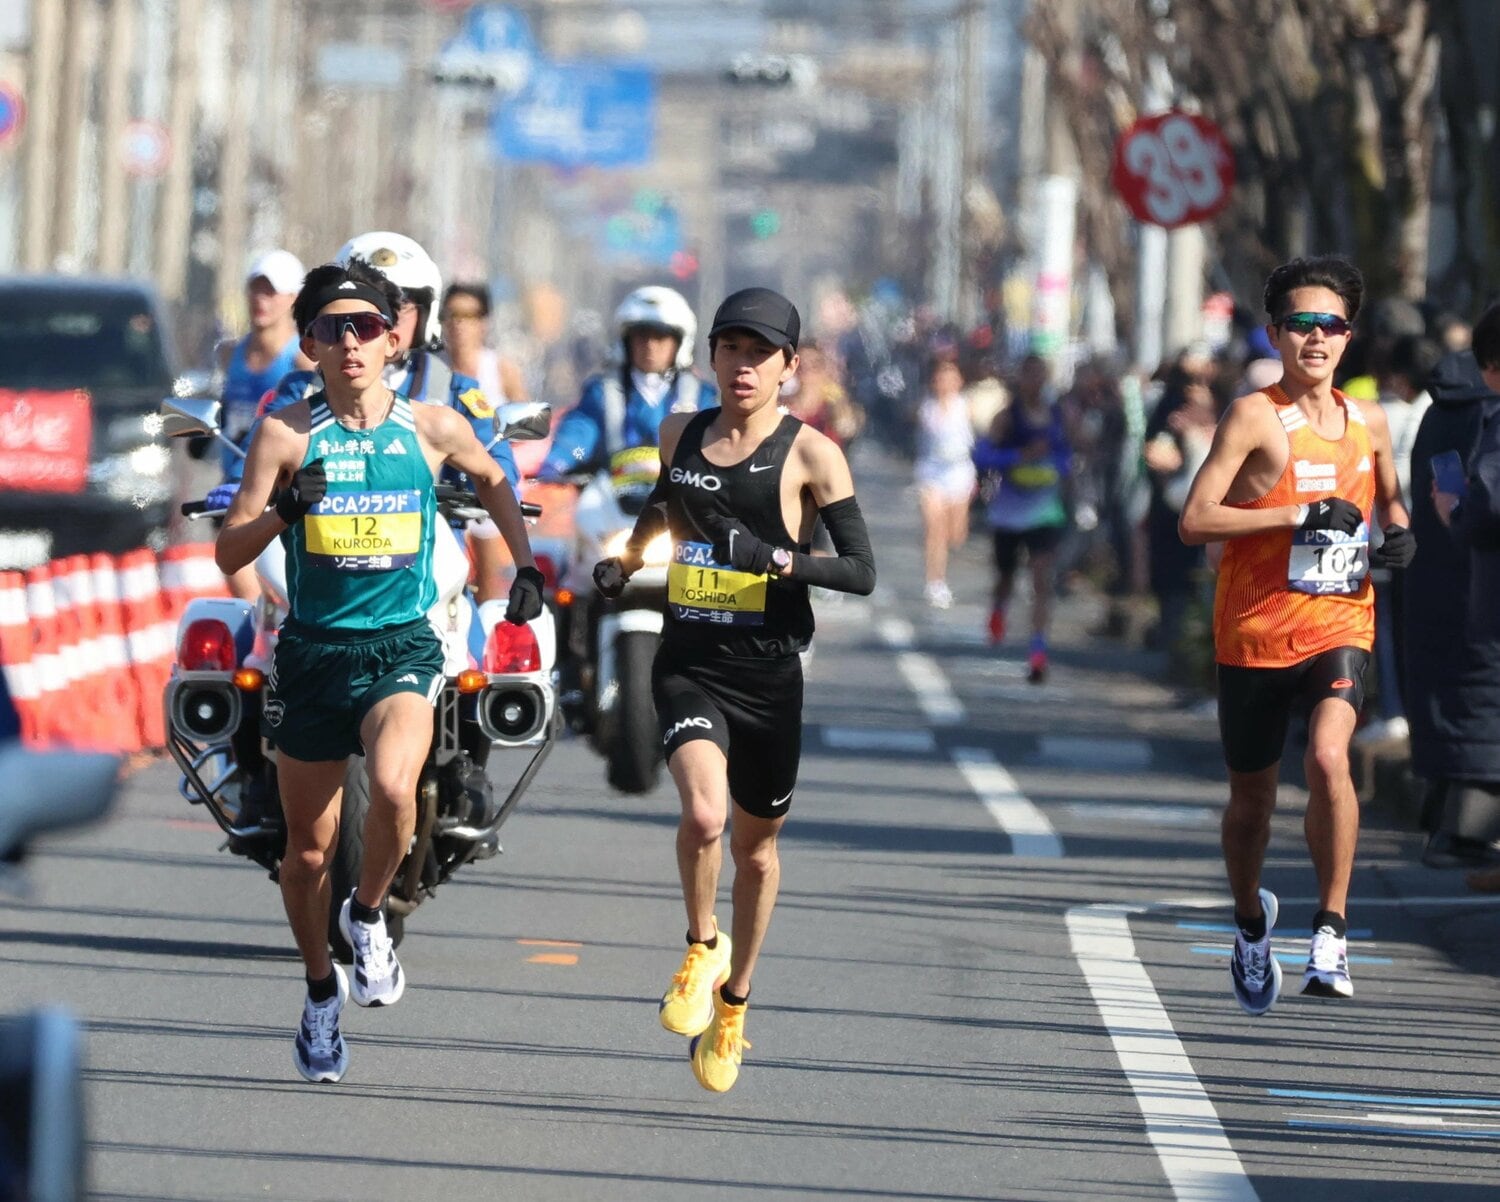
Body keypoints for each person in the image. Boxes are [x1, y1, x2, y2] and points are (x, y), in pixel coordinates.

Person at [214, 260, 545, 1083]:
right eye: (333, 329)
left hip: (401, 646)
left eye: (365, 327)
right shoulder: (287, 434)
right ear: (310, 345)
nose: (351, 343)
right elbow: (229, 546)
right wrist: (287, 510)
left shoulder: (430, 429)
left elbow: (497, 479)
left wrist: (526, 565)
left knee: (397, 788)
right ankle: (321, 994)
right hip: (314, 652)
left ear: (394, 339)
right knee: (304, 855)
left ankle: (367, 918)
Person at [590, 288, 875, 1093]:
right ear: (709, 356)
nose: (744, 367)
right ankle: (698, 943)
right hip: (689, 662)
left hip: (769, 678)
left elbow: (860, 570)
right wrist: (631, 560)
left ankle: (737, 1001)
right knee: (704, 814)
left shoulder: (812, 454)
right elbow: (662, 506)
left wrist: (779, 560)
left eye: (761, 354)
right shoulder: (678, 432)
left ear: (789, 366)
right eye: (731, 350)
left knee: (756, 852)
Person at [1178, 255, 1415, 1015]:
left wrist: (1402, 531)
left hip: (1340, 618)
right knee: (1251, 803)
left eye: (1332, 325)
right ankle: (1250, 921)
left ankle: (1331, 927)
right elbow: (1195, 520)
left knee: (1326, 755)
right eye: (1301, 325)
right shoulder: (1254, 415)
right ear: (1277, 334)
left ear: (1350, 336)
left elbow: (1390, 494)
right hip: (1252, 631)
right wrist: (1290, 517)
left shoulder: (1368, 420)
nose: (1317, 339)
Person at [1415, 313, 1500, 885]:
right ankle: (1464, 833)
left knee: (1469, 699)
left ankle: (1454, 826)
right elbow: (1486, 502)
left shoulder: (1443, 411)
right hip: (1480, 582)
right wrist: (1461, 513)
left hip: (1453, 586)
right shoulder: (1487, 413)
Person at [535, 286, 718, 483]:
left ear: (680, 343)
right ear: (625, 340)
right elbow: (579, 438)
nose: (650, 345)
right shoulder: (601, 392)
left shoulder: (701, 395)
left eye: (660, 337)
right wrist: (558, 463)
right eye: (641, 336)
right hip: (609, 501)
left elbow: (716, 445)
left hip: (681, 500)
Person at [215, 250, 312, 598]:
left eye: (271, 292)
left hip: (277, 486)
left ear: (294, 299)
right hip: (231, 487)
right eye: (255, 290)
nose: (261, 300)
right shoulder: (229, 354)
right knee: (235, 572)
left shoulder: (301, 359)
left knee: (275, 590)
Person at [972, 353, 1071, 681]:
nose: (1035, 382)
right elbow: (983, 456)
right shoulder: (1006, 417)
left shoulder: (1059, 416)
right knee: (1006, 577)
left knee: (1042, 579)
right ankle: (998, 612)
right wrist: (1019, 457)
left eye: (1041, 375)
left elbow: (1070, 453)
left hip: (1046, 510)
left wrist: (1060, 464)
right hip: (1010, 512)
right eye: (1029, 375)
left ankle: (1038, 649)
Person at [912, 357, 975, 608]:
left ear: (959, 380)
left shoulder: (967, 406)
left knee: (955, 535)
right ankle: (935, 582)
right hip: (932, 473)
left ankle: (943, 563)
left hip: (959, 473)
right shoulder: (926, 409)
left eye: (950, 377)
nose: (945, 382)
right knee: (934, 529)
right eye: (940, 378)